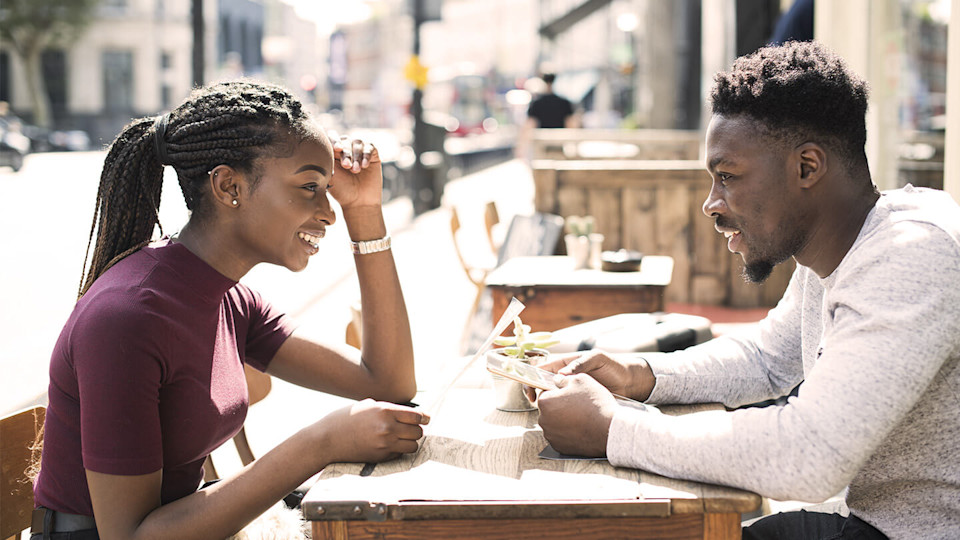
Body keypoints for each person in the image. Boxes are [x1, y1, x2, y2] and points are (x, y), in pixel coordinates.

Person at [533, 41, 960, 539]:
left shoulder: (913, 253)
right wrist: (641, 376)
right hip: (871, 522)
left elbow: (810, 454)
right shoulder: (845, 245)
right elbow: (767, 358)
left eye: (728, 177)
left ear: (807, 167)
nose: (711, 205)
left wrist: (613, 428)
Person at [31, 80, 429, 540]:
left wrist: (366, 213)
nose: (328, 212)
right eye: (309, 187)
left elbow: (388, 382)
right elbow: (131, 536)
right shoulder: (128, 318)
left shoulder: (229, 299)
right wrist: (320, 443)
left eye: (328, 189)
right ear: (228, 185)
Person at [515, 73, 579, 160]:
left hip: (542, 144)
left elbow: (529, 125)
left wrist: (522, 148)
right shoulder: (564, 102)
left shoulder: (537, 103)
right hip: (559, 142)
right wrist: (574, 145)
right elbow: (571, 124)